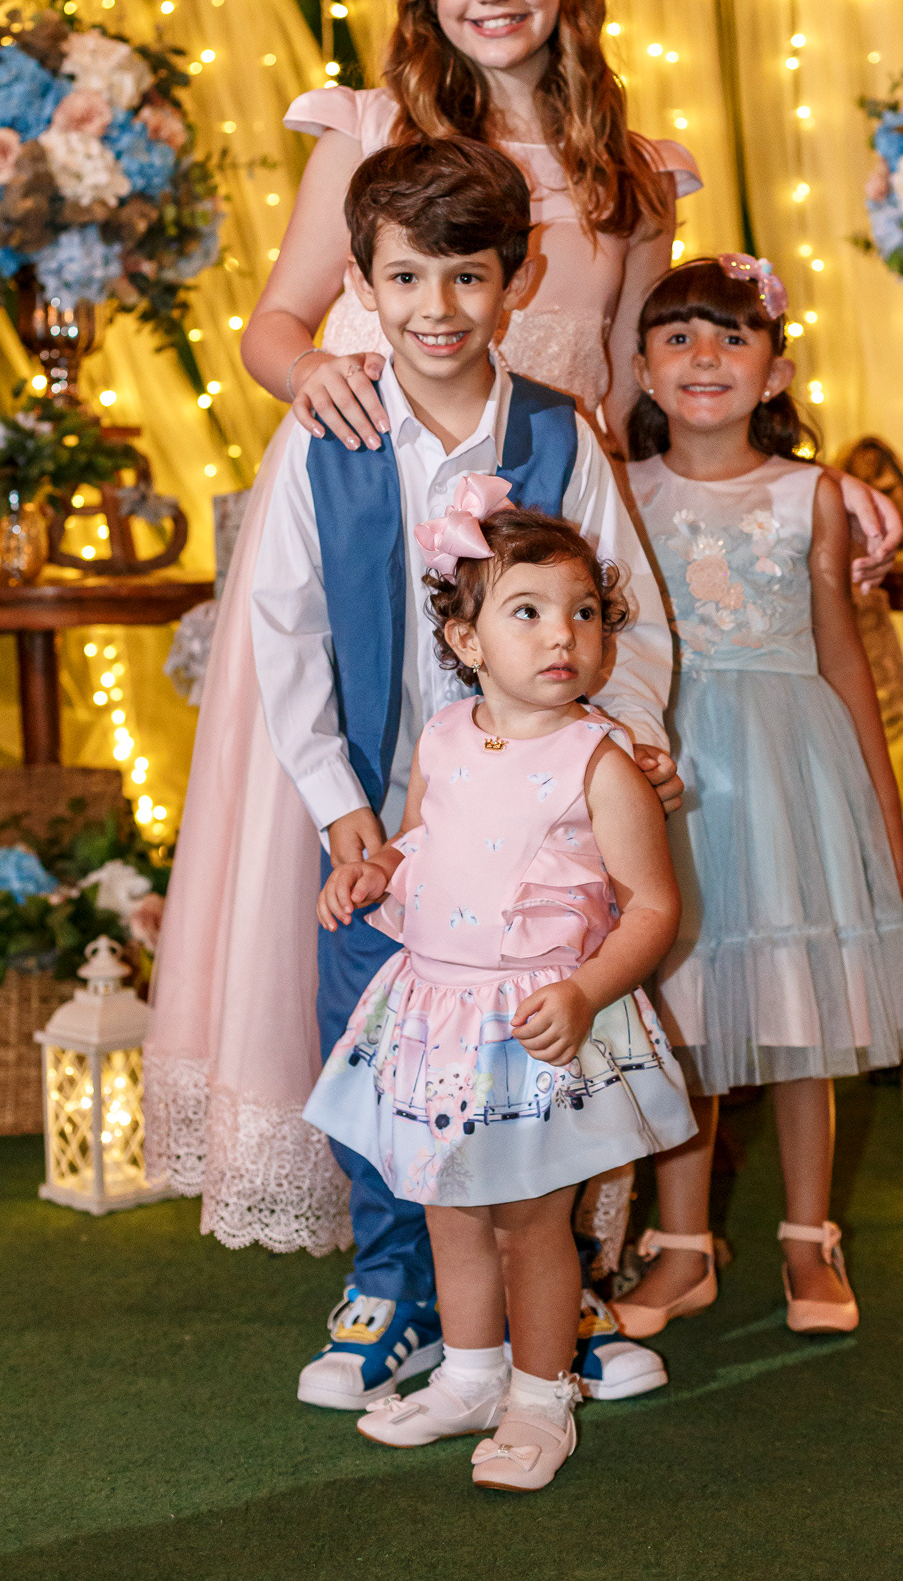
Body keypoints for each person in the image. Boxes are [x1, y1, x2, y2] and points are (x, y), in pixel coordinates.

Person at [143, 0, 899, 1321]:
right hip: (385, 532)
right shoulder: (370, 129)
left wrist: (807, 480)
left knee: (544, 889)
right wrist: (316, 385)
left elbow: (633, 393)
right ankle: (402, 1246)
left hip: (546, 563)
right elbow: (277, 323)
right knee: (388, 884)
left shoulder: (631, 172)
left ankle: (560, 1223)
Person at [246, 136, 685, 1412]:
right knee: (385, 1049)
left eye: (467, 276)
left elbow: (627, 607)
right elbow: (283, 628)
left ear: (517, 278)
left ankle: (557, 1299)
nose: (436, 308)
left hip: (540, 818)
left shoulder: (558, 432)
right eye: (404, 278)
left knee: (543, 1061)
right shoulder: (325, 433)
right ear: (360, 286)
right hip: (389, 805)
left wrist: (626, 740)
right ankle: (396, 1286)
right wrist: (340, 808)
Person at [304, 506, 695, 1492]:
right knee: (449, 1203)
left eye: (583, 612)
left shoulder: (601, 762)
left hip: (536, 1025)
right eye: (528, 611)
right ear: (467, 641)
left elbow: (653, 906)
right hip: (440, 1014)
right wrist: (378, 869)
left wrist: (587, 990)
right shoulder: (444, 735)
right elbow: (421, 838)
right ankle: (473, 1377)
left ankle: (540, 1393)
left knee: (529, 1218)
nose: (563, 634)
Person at [609, 257, 903, 1342]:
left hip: (793, 773)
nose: (706, 358)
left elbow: (842, 656)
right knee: (683, 1009)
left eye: (733, 337)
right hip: (672, 775)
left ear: (776, 371)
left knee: (799, 1013)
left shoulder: (813, 495)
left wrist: (879, 806)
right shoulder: (618, 491)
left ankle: (807, 1236)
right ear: (642, 369)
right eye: (679, 338)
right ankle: (683, 1245)